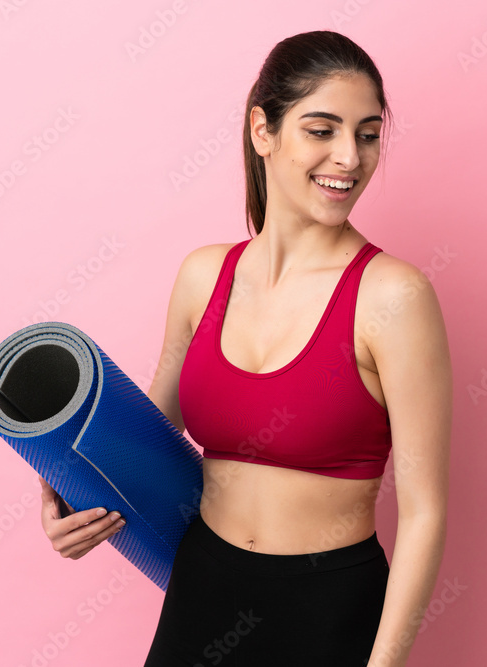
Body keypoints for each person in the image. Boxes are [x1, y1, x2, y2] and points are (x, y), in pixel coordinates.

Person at [38, 30, 451, 667]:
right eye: (322, 130)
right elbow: (146, 433)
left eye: (367, 134)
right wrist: (66, 494)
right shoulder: (204, 276)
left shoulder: (393, 295)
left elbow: (425, 511)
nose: (349, 157)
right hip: (202, 588)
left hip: (329, 607)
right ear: (264, 129)